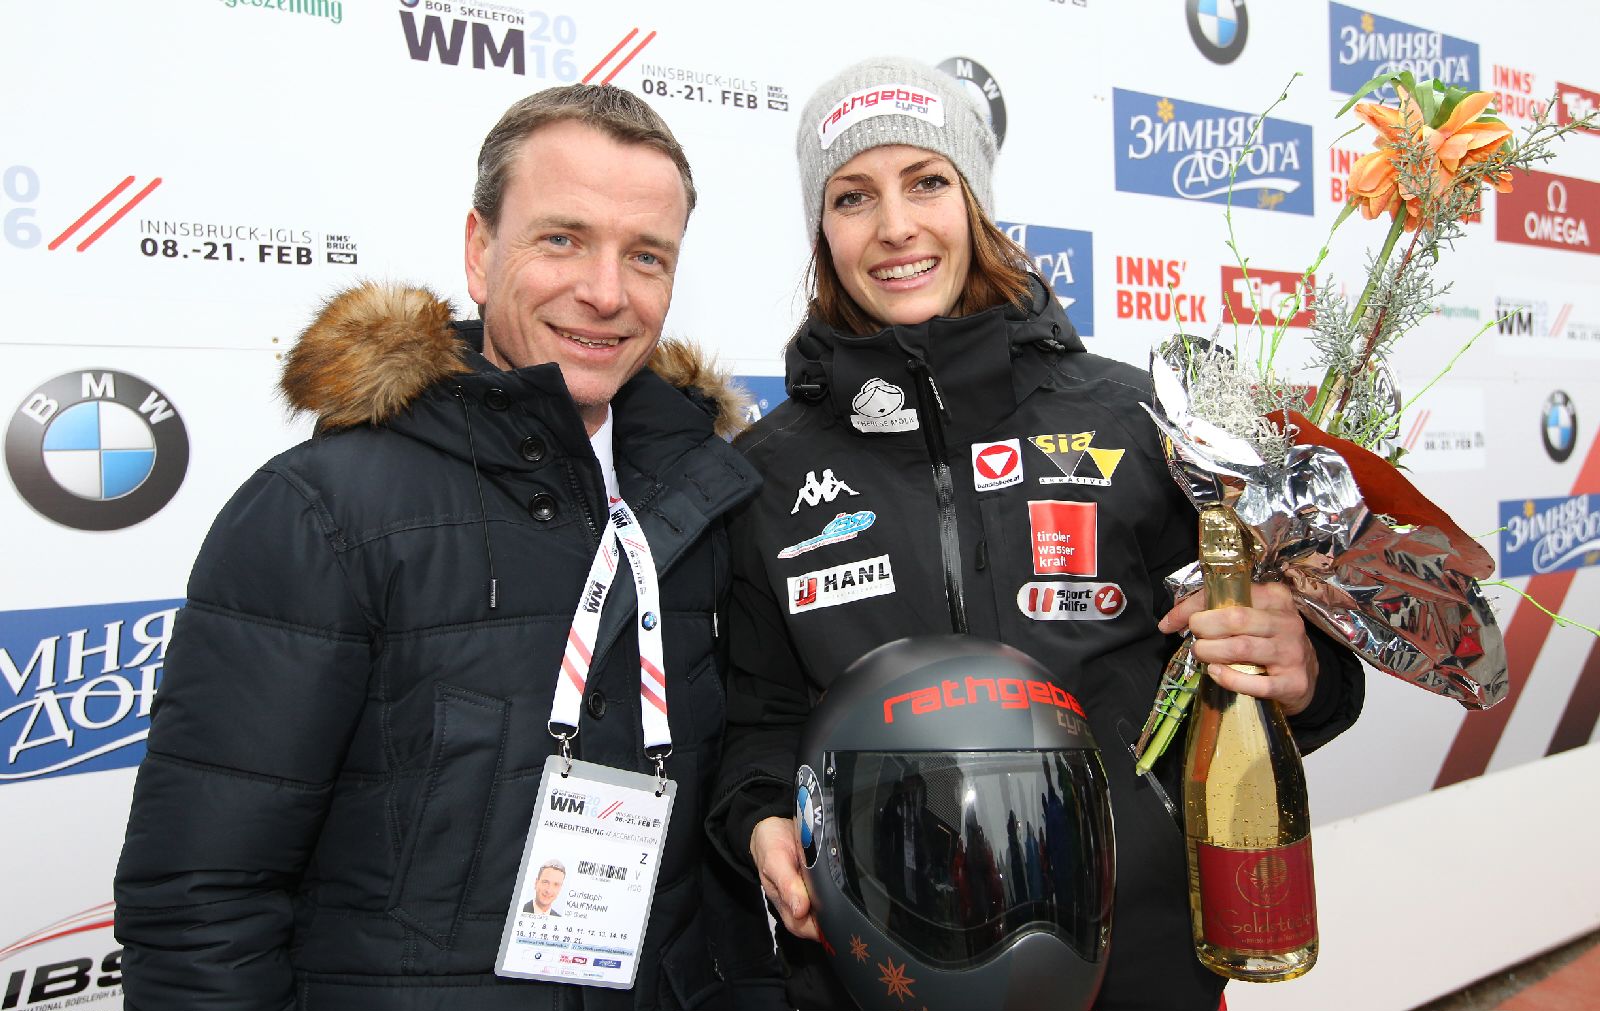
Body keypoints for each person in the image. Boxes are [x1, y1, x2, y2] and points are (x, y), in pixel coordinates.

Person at [706, 58, 1365, 1011]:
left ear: (974, 199)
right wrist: (764, 818)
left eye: (927, 181)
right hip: (876, 971)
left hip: (1136, 961)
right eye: (853, 196)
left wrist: (1299, 669)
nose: (895, 227)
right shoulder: (766, 468)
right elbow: (758, 720)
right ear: (821, 226)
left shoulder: (1136, 420)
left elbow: (1296, 677)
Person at [114, 84, 782, 1010]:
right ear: (479, 250)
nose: (605, 291)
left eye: (646, 256)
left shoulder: (705, 498)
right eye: (562, 238)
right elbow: (203, 900)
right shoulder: (322, 511)